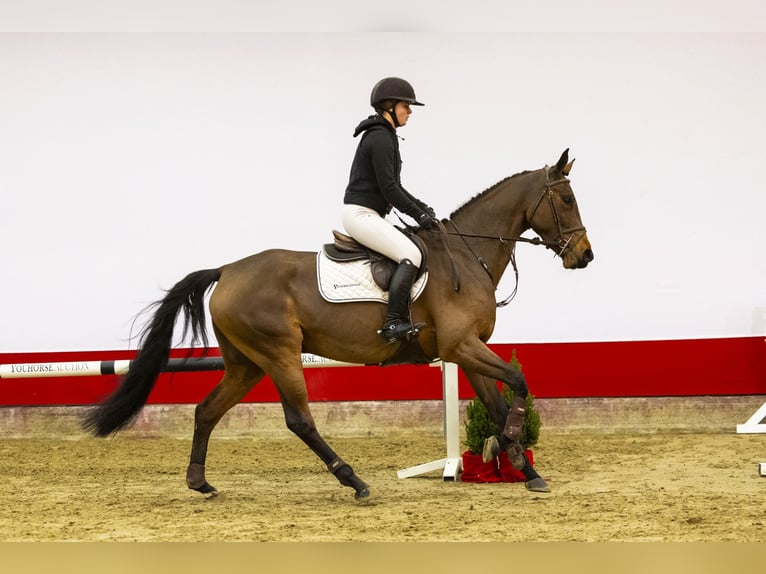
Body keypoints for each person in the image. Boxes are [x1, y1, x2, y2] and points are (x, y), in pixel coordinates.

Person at [342, 77, 440, 343]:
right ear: (389, 106)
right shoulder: (380, 138)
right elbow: (389, 189)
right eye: (406, 105)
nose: (410, 111)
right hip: (360, 214)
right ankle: (393, 323)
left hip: (367, 213)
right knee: (410, 253)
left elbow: (395, 186)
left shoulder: (386, 136)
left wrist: (423, 208)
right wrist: (418, 214)